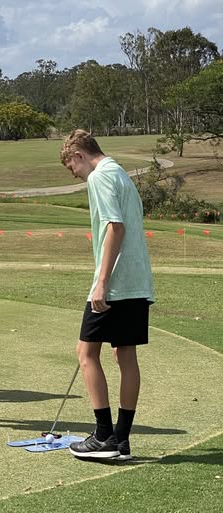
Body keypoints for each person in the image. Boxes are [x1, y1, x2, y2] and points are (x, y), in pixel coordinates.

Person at [60, 130, 155, 461]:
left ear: (80, 156)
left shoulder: (100, 177)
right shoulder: (121, 174)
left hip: (114, 283)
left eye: (71, 165)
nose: (72, 172)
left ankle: (103, 436)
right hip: (137, 281)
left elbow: (115, 227)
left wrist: (101, 282)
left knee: (86, 352)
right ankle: (122, 439)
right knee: (124, 355)